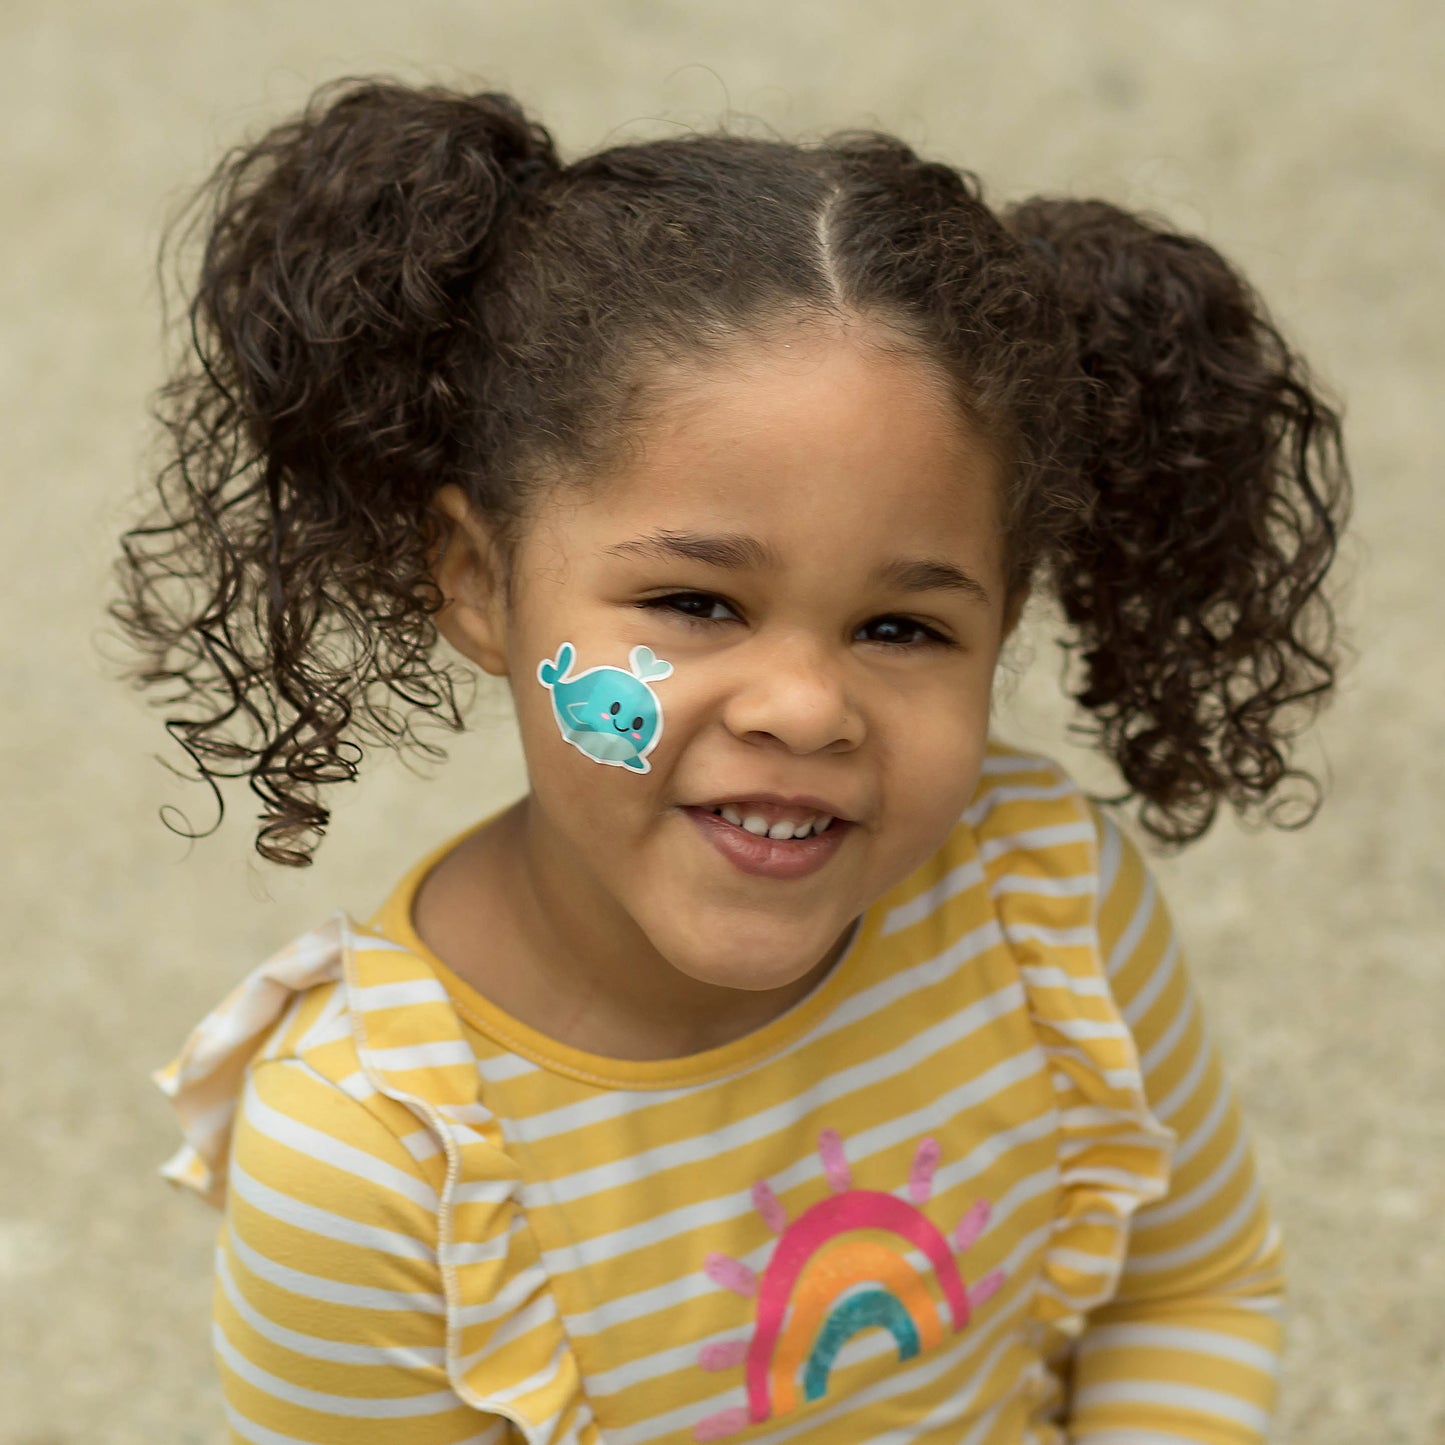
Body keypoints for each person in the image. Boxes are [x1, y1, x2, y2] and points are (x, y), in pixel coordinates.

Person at [117, 77, 1350, 1445]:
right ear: (478, 579)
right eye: (696, 604)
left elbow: (1185, 1288)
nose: (805, 706)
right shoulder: (376, 1153)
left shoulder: (1042, 903)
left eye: (902, 624)